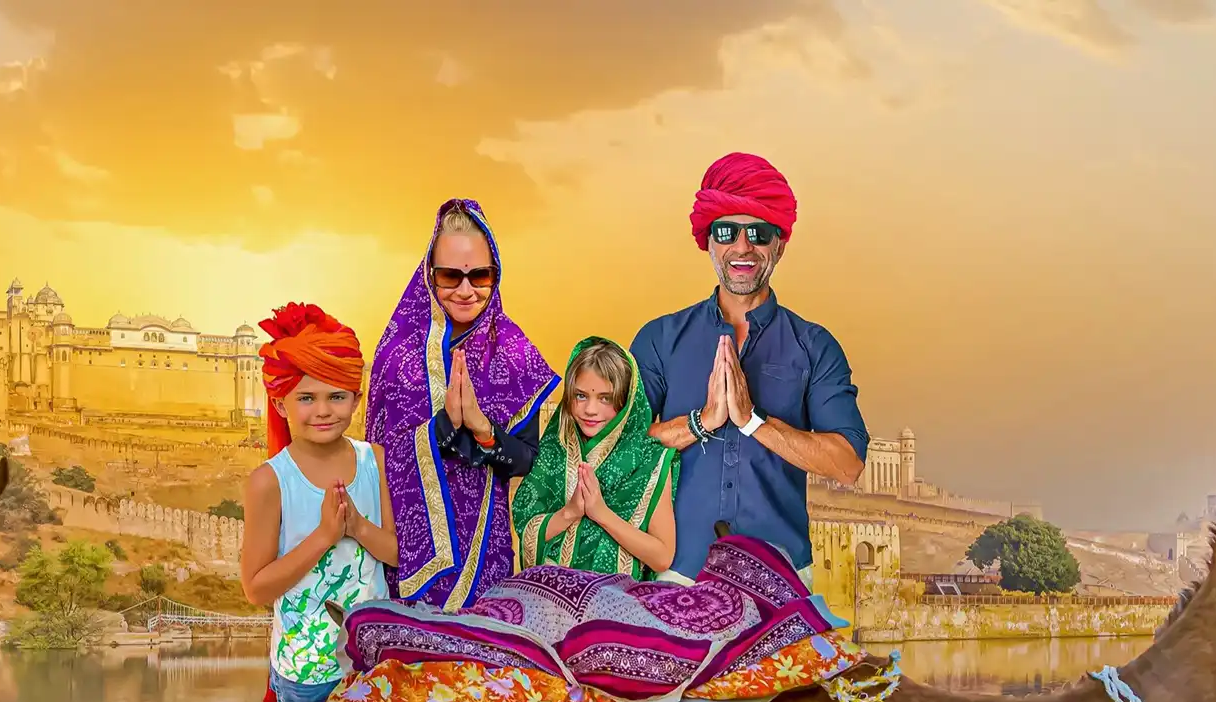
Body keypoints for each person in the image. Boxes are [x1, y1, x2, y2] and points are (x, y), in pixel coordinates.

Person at [630, 152, 869, 585]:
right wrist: (702, 423)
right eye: (727, 231)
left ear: (780, 243)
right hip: (674, 576)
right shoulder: (660, 340)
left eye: (758, 233)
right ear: (708, 240)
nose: (742, 247)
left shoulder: (815, 347)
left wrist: (753, 421)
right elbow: (620, 453)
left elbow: (848, 465)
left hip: (781, 579)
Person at [366, 198, 558, 611]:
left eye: (480, 276)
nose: (467, 290)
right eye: (452, 276)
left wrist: (482, 428)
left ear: (496, 274)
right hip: (404, 557)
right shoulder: (396, 355)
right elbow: (378, 459)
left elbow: (526, 460)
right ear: (429, 275)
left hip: (486, 552)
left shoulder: (513, 352)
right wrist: (443, 426)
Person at [239, 302, 396, 702]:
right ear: (280, 401)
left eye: (336, 396)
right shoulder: (270, 482)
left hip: (373, 664)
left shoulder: (373, 462)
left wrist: (359, 529)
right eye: (306, 398)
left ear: (356, 398)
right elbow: (256, 588)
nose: (323, 410)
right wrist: (326, 536)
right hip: (307, 674)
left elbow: (397, 555)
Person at [511, 337, 678, 578]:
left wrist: (601, 513)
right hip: (550, 598)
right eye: (580, 396)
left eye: (605, 398)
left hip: (617, 604)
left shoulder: (649, 460)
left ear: (626, 400)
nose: (590, 410)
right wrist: (570, 512)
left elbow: (661, 557)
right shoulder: (554, 449)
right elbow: (527, 531)